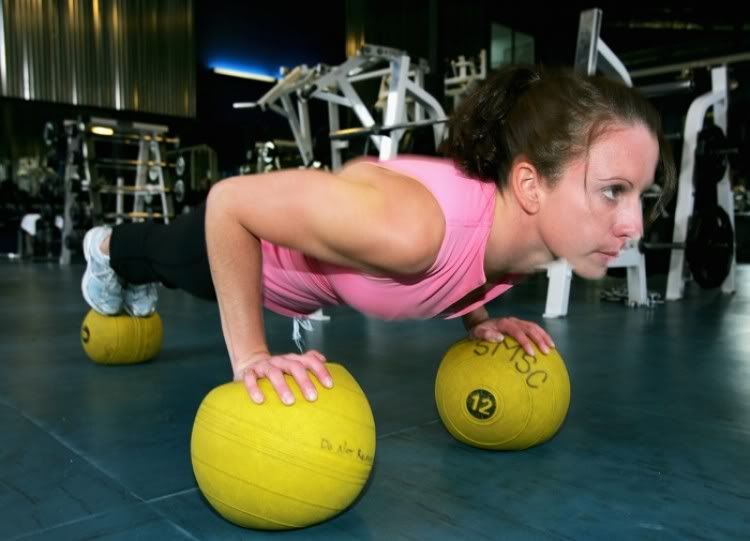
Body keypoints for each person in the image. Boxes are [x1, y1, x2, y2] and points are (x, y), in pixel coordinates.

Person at [80, 65, 676, 406]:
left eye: (637, 196)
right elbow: (230, 205)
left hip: (299, 281)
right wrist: (253, 357)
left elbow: (471, 261)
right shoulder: (408, 230)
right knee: (159, 256)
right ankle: (104, 249)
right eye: (610, 192)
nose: (633, 225)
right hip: (249, 253)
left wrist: (480, 317)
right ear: (530, 186)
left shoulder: (523, 241)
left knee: (165, 267)